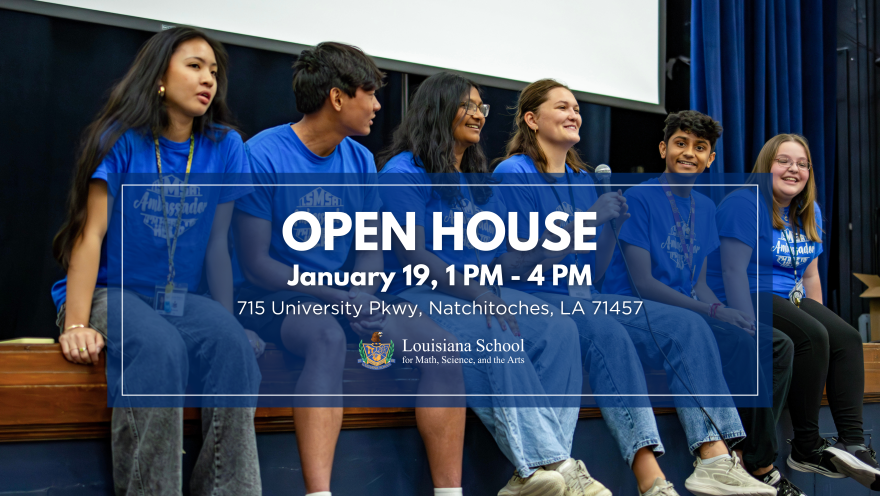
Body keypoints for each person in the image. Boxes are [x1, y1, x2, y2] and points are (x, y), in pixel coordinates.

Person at [493, 80, 773, 496]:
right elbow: (509, 265)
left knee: (687, 326)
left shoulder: (582, 178)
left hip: (584, 296)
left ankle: (714, 458)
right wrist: (587, 221)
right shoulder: (512, 172)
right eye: (562, 107)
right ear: (532, 119)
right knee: (610, 335)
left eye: (577, 108)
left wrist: (609, 229)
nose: (575, 114)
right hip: (537, 298)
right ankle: (652, 481)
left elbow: (595, 269)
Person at [233, 44, 466, 496]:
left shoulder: (359, 160)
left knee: (440, 346)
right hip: (270, 297)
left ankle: (449, 492)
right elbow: (256, 263)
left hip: (340, 295)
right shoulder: (262, 154)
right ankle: (319, 492)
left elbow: (370, 249)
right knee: (326, 337)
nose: (378, 105)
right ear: (337, 98)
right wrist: (343, 298)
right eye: (368, 93)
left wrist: (366, 295)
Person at [377, 72, 611, 496]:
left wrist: (562, 240)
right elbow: (414, 257)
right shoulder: (403, 172)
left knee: (559, 329)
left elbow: (502, 259)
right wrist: (481, 294)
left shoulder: (477, 178)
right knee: (497, 328)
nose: (478, 115)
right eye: (468, 105)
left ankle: (545, 472)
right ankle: (549, 466)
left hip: (480, 290)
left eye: (481, 107)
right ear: (437, 110)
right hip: (421, 295)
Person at [51, 27, 263, 495]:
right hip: (112, 291)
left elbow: (217, 248)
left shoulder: (225, 147)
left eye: (214, 70)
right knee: (160, 347)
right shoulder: (120, 139)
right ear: (160, 79)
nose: (208, 78)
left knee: (235, 349)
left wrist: (229, 322)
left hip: (181, 298)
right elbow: (91, 235)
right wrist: (76, 323)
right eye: (194, 66)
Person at [740, 134, 880, 490]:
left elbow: (811, 275)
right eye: (785, 161)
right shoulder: (745, 203)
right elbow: (730, 271)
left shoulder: (809, 210)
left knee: (846, 337)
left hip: (791, 299)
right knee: (812, 335)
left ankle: (854, 443)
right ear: (766, 165)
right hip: (750, 293)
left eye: (802, 164)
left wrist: (821, 318)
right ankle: (805, 445)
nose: (794, 169)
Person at [705, 159, 805, 495]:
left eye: (700, 147)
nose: (689, 153)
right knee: (751, 342)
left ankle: (751, 456)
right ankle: (760, 467)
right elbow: (728, 274)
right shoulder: (737, 204)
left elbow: (699, 279)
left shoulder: (704, 205)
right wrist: (721, 311)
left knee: (781, 345)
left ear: (710, 159)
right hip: (679, 310)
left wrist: (717, 310)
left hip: (705, 306)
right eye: (680, 143)